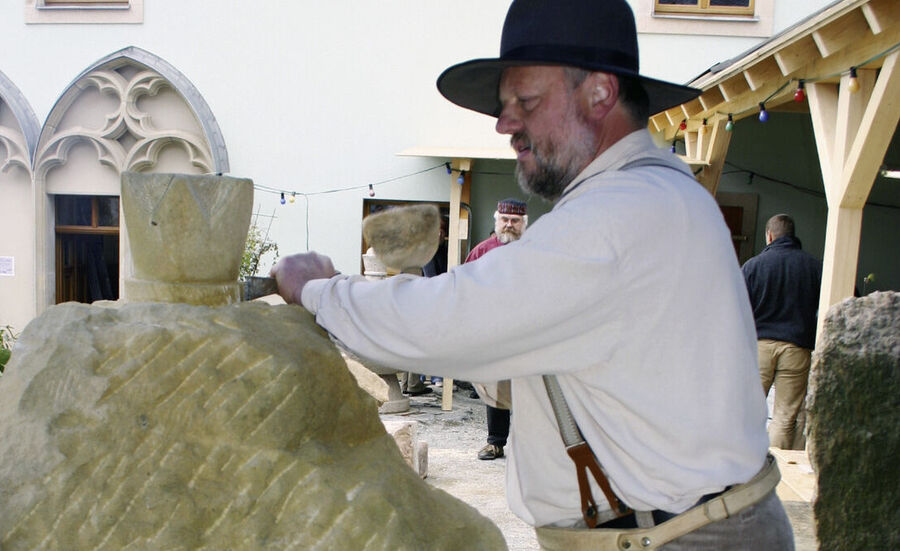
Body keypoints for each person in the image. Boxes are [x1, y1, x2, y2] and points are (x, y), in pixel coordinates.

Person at [272, 1, 793, 549]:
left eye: (526, 101)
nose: (504, 124)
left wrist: (317, 289)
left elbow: (448, 321)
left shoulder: (618, 214)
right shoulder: (664, 194)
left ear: (599, 93)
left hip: (675, 537)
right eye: (504, 106)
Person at [741, 214, 822, 450]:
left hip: (759, 348)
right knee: (785, 417)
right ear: (792, 235)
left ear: (769, 235)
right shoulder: (814, 267)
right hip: (797, 348)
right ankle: (777, 466)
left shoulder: (753, 266)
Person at [466, 198, 527, 461]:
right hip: (494, 333)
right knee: (496, 389)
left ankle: (528, 447)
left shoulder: (537, 252)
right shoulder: (482, 252)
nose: (509, 224)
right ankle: (495, 443)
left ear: (524, 223)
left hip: (528, 334)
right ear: (497, 220)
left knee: (530, 392)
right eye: (505, 219)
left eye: (515, 220)